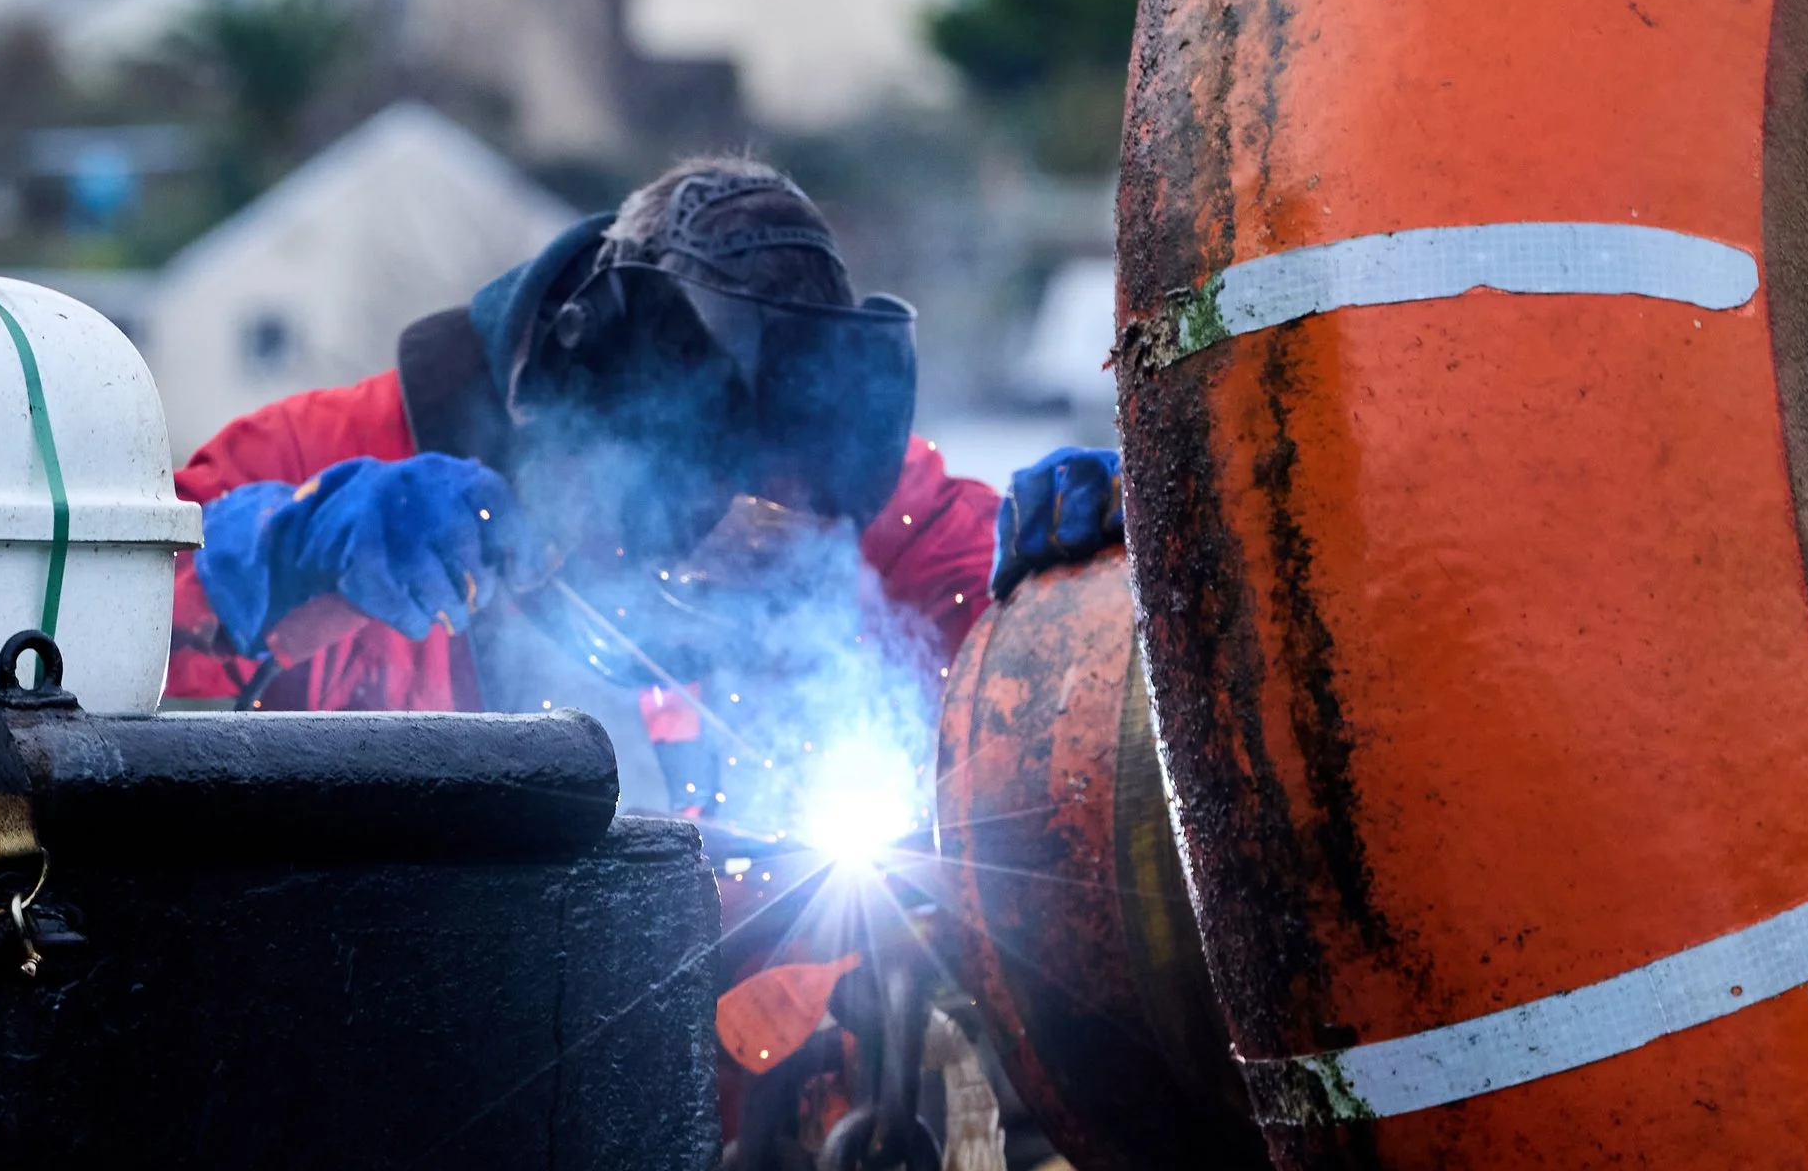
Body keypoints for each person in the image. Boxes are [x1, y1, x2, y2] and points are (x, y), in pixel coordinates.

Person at [167, 158, 1124, 772]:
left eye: (784, 523)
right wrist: (287, 559)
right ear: (590, 399)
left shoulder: (831, 493)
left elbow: (985, 600)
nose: (745, 552)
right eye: (715, 506)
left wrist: (1082, 587)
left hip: (730, 1054)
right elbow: (77, 664)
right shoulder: (330, 461)